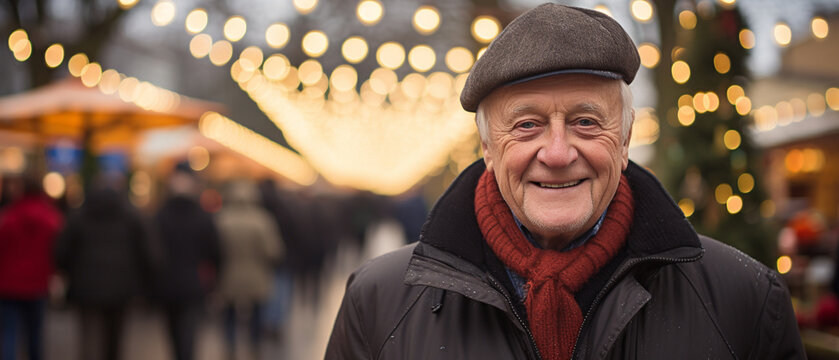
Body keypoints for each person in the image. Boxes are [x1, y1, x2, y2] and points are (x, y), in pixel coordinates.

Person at [325, 4, 805, 359]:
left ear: (625, 138)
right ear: (488, 148)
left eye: (586, 121)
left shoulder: (746, 301)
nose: (557, 154)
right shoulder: (379, 302)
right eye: (527, 124)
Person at [54, 173, 150, 360]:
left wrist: (69, 273)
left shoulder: (79, 216)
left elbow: (61, 252)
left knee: (89, 339)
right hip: (122, 288)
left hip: (86, 288)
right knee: (115, 340)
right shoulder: (132, 216)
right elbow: (148, 253)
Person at [150, 164, 221, 360]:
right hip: (193, 285)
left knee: (174, 334)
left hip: (167, 284)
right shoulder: (202, 216)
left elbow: (151, 251)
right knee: (188, 336)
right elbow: (215, 252)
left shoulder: (160, 214)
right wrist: (214, 284)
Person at [215, 179, 283, 360]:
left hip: (228, 275)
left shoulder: (222, 219)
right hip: (256, 275)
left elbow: (213, 250)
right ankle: (254, 346)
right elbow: (273, 251)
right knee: (256, 314)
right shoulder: (262, 220)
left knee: (228, 314)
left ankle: (230, 347)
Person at [0, 175, 63, 360]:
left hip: (9, 284)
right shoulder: (51, 217)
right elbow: (59, 250)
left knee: (9, 333)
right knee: (35, 334)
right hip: (38, 283)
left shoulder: (10, 215)